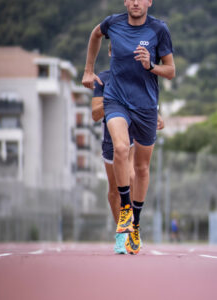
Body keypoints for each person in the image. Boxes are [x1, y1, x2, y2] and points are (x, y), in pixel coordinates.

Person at [82, 0, 175, 254]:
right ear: (125, 1)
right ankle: (126, 211)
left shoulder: (159, 30)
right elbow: (95, 34)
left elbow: (171, 71)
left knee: (142, 169)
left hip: (145, 106)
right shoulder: (113, 23)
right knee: (121, 148)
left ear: (149, 2)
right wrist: (89, 69)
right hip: (116, 100)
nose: (135, 2)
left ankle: (136, 225)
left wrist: (151, 65)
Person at [92, 43, 165, 254]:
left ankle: (132, 229)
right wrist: (114, 100)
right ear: (110, 53)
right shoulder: (103, 78)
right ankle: (121, 233)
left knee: (132, 176)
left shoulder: (138, 76)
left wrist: (155, 116)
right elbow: (95, 115)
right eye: (116, 49)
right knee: (114, 191)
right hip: (110, 139)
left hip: (132, 136)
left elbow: (146, 104)